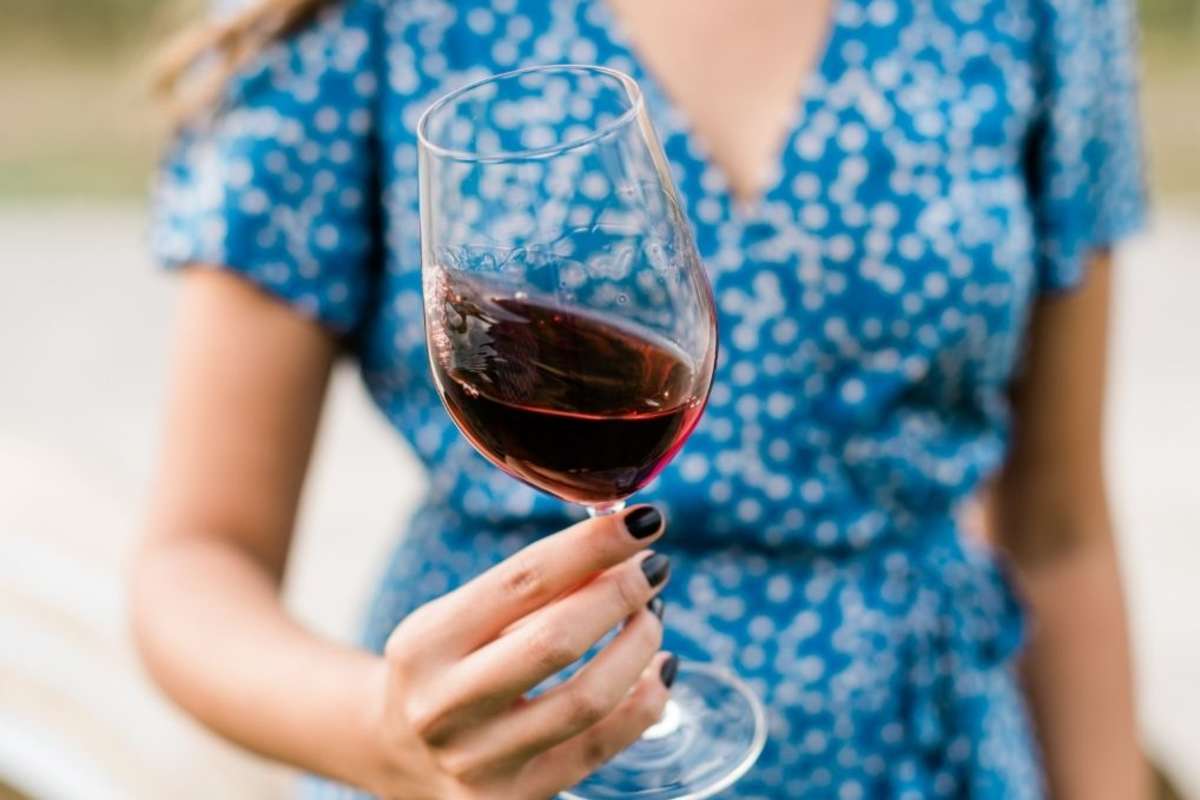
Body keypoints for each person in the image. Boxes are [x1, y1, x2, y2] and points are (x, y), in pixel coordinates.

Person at [133, 0, 1149, 797]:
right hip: (500, 773)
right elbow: (194, 558)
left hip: (917, 757)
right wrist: (386, 731)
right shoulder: (366, 14)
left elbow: (1059, 533)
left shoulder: (1046, 9)